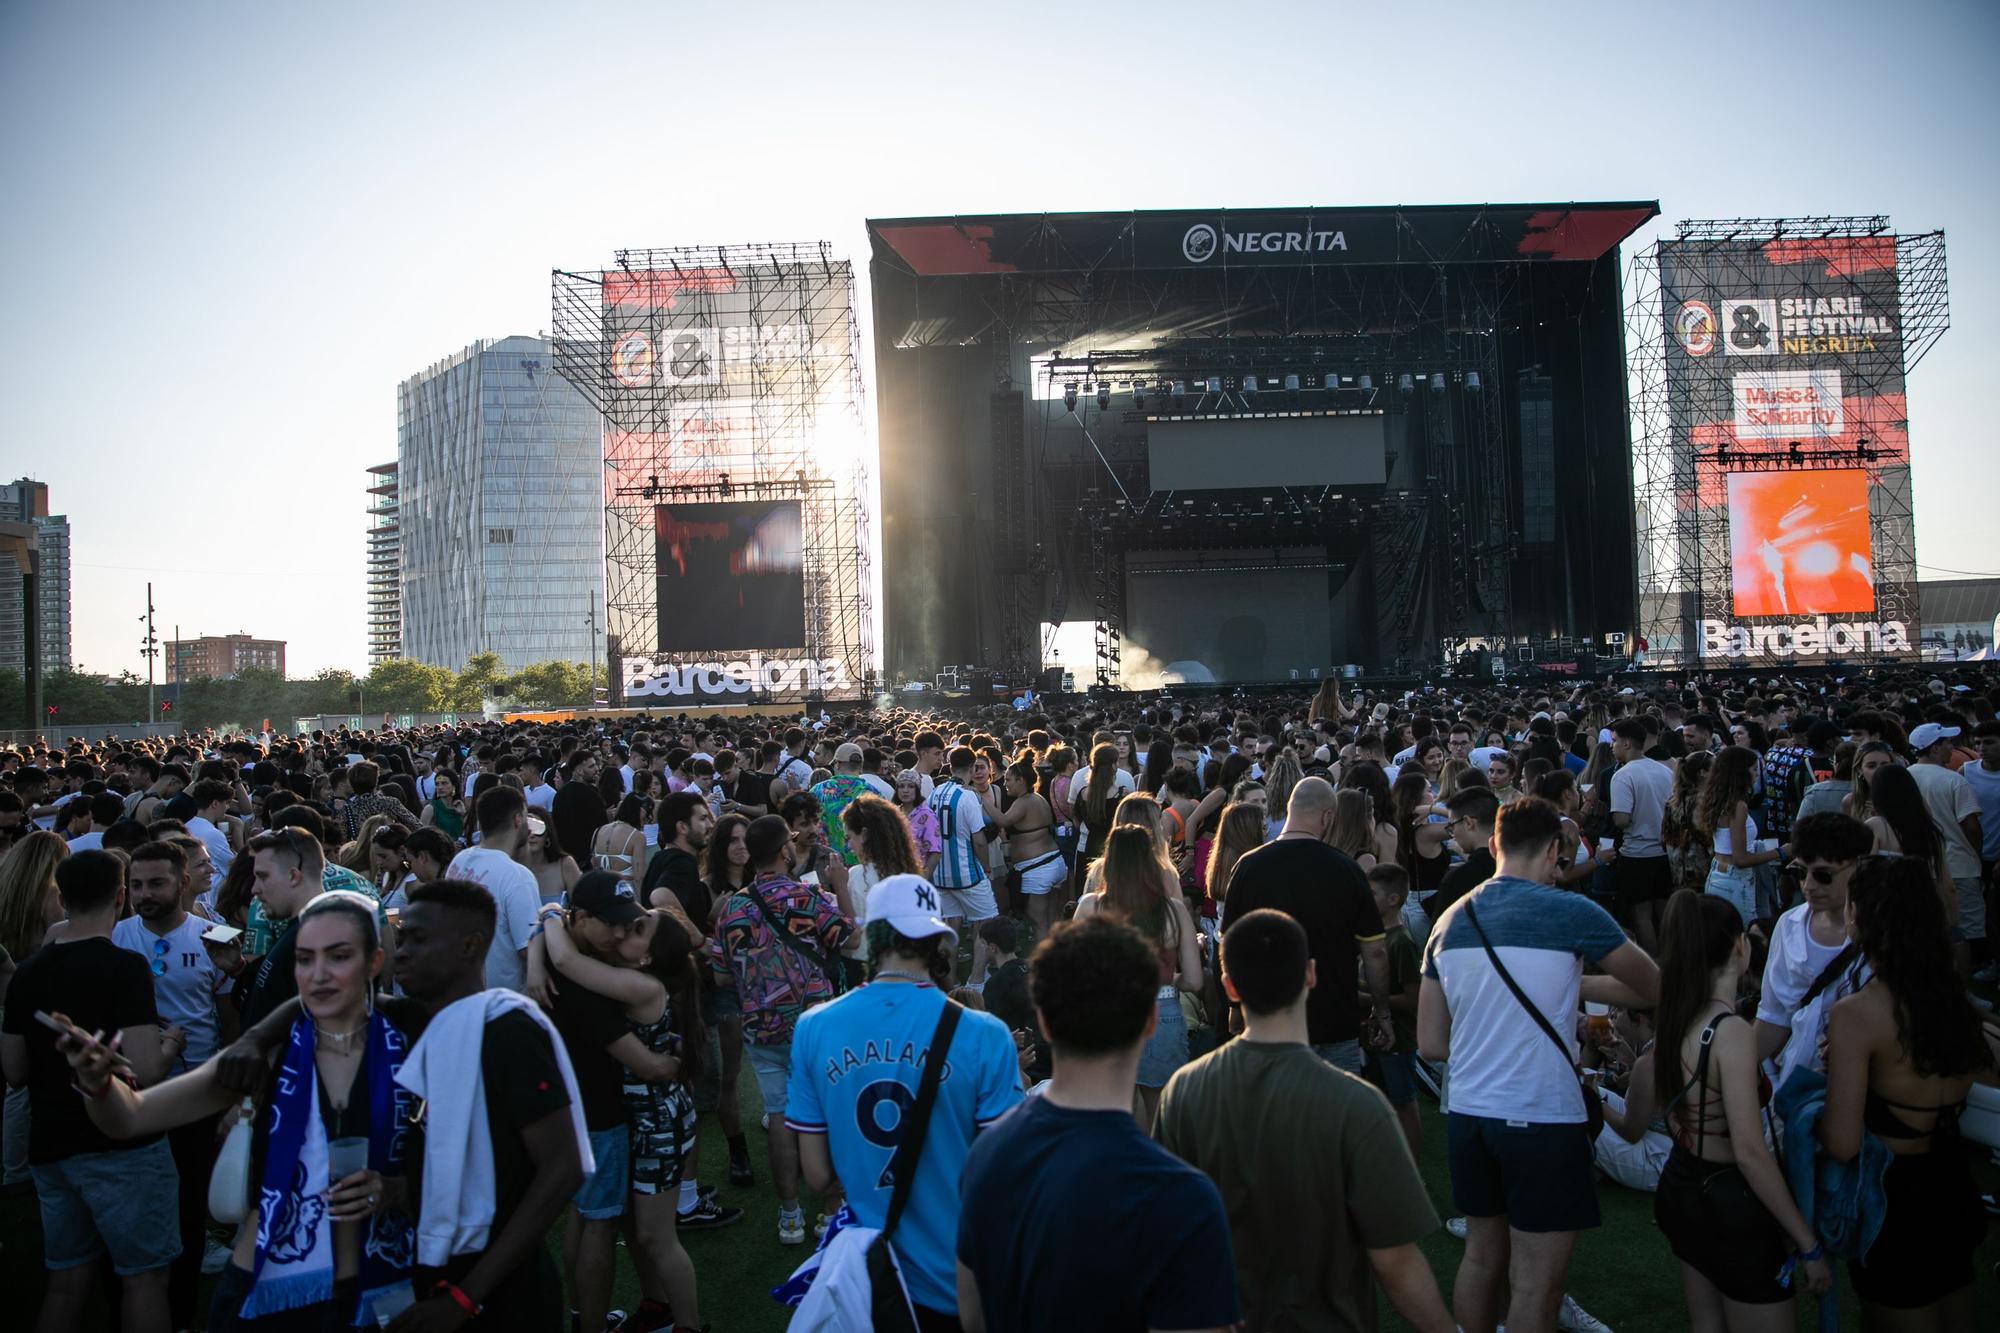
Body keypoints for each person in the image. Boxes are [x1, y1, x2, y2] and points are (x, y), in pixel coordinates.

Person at [53, 891, 422, 1331]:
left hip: (381, 1284)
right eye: (305, 959)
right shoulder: (267, 1052)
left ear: (375, 961)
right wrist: (98, 1084)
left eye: (339, 956)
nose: (319, 974)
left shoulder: (414, 1042)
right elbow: (131, 1117)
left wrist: (399, 1190)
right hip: (268, 1287)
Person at [1418, 797, 1660, 1333]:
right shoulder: (1571, 911)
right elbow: (1653, 985)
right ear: (1554, 849)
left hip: (1470, 1115)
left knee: (1482, 1258)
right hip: (1542, 1115)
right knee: (1536, 1282)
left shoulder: (1449, 921)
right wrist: (1573, 981)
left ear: (1495, 843)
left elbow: (1431, 1043)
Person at [1158, 908, 1453, 1333]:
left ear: (1230, 987)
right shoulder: (1359, 1104)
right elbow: (1395, 1260)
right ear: (1310, 975)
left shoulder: (1184, 1092)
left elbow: (1173, 1235)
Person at [956, 916, 1240, 1333]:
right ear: (1150, 1021)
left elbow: (973, 1314)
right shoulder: (1182, 1197)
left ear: (1046, 1022)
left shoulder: (987, 1155)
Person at [788, 873, 1022, 1331]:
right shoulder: (985, 1033)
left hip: (863, 1279)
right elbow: (1005, 1177)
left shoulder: (815, 1027)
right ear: (938, 942)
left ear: (872, 939)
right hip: (954, 1279)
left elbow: (816, 1174)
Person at [0, 850, 180, 1333]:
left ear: (61, 899)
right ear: (121, 898)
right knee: (144, 1280)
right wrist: (171, 1045)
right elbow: (143, 1070)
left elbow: (12, 1070)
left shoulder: (28, 973)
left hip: (52, 1145)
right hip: (121, 1145)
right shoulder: (124, 967)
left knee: (65, 1282)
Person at [538, 877, 728, 1333]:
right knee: (637, 1227)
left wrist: (547, 916)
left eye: (638, 928)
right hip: (652, 1120)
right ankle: (657, 1310)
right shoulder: (640, 979)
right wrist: (539, 936)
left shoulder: (638, 987)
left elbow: (563, 958)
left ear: (645, 957)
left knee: (656, 1236)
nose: (625, 930)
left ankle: (688, 1325)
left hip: (657, 1123)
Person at [1821, 853, 1995, 1326]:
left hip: (1893, 1202)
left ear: (1866, 916)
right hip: (1952, 1185)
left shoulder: (1857, 1014)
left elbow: (1842, 1142)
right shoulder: (1951, 999)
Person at [1643, 891, 1829, 1329]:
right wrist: (1808, 1243)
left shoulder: (1675, 1018)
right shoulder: (1731, 1033)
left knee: (1707, 1322)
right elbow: (1749, 1151)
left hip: (1681, 1183)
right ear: (1740, 946)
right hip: (1727, 1201)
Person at [707, 814, 858, 1244]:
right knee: (824, 1114)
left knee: (779, 1117)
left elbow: (719, 975)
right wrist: (842, 887)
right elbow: (850, 938)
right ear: (784, 850)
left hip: (760, 1026)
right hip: (811, 1025)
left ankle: (789, 1213)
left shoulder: (733, 906)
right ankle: (830, 1208)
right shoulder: (806, 896)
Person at [115, 839, 239, 1328]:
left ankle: (182, 1311)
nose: (145, 894)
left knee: (190, 1204)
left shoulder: (215, 935)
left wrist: (231, 1089)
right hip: (139, 1092)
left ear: (182, 883)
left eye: (156, 883)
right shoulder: (117, 936)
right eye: (136, 885)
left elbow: (230, 1020)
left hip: (198, 1090)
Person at [1221, 776, 1393, 1073]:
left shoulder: (1249, 866)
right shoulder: (1347, 869)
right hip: (1334, 1018)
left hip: (1267, 1018)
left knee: (1276, 1113)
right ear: (1327, 816)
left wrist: (1235, 1007)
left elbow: (1231, 943)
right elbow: (1375, 950)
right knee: (1334, 1113)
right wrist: (1382, 1009)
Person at [1074, 824, 1203, 1127]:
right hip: (1162, 1010)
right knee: (1160, 1114)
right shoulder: (1174, 910)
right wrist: (1172, 981)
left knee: (1113, 1116)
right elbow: (1195, 981)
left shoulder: (1091, 906)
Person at [1905, 721, 1986, 975]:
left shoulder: (1904, 777)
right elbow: (1971, 826)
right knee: (1968, 927)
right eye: (1947, 743)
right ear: (1934, 748)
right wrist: (1978, 853)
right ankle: (1968, 980)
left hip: (1921, 864)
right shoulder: (1954, 780)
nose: (1952, 747)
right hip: (1959, 864)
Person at [444, 786, 542, 994]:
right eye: (526, 817)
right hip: (503, 1000)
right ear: (517, 820)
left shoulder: (460, 861)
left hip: (461, 991)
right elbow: (529, 949)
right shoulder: (517, 877)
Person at [1362, 863, 1425, 1155]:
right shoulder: (1371, 937)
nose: (1365, 899)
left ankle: (1412, 1163)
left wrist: (1369, 999)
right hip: (1376, 1035)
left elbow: (1415, 998)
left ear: (1393, 900)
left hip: (1399, 1037)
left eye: (1372, 894)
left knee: (1403, 1100)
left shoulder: (1400, 941)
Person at [926, 746, 999, 980]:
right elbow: (979, 841)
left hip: (940, 873)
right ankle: (976, 981)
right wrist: (986, 868)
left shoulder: (935, 792)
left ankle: (951, 983)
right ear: (970, 767)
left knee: (950, 931)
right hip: (966, 873)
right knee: (985, 925)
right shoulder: (967, 796)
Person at [1694, 746, 1787, 927]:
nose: (1757, 774)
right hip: (1736, 880)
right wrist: (1781, 852)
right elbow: (1741, 859)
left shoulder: (1716, 800)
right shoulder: (1738, 806)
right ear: (1741, 772)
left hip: (1717, 874)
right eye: (1753, 769)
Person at [1610, 717, 1676, 955]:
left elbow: (1621, 819)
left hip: (1636, 854)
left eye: (1615, 741)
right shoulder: (1665, 770)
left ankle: (1655, 969)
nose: (1612, 746)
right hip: (1664, 851)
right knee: (1664, 910)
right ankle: (1673, 960)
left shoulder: (1623, 775)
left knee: (1642, 917)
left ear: (1627, 743)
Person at [992, 755, 1063, 943]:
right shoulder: (1037, 798)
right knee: (1051, 920)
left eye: (1008, 779)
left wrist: (981, 801)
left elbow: (1004, 821)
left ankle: (1043, 967)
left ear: (1020, 780)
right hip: (1053, 862)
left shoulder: (1024, 801)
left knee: (1038, 924)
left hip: (1038, 868)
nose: (1004, 783)